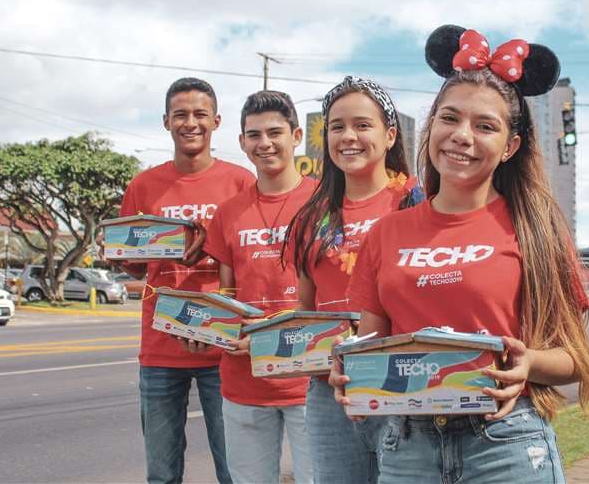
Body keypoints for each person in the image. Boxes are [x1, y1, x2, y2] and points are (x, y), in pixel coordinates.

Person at [330, 25, 589, 483]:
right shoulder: (386, 233)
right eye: (450, 118)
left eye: (485, 126)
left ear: (510, 146)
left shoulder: (535, 229)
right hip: (407, 450)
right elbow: (372, 347)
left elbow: (576, 360)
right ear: (432, 126)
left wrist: (529, 363)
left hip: (506, 444)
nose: (462, 135)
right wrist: (351, 372)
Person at [113, 77, 254, 484]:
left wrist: (211, 248)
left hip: (223, 344)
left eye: (199, 114)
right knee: (161, 473)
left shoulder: (241, 182)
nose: (190, 123)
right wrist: (121, 256)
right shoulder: (143, 185)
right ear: (166, 121)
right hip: (161, 346)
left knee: (234, 471)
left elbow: (251, 258)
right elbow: (136, 267)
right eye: (180, 115)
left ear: (216, 121)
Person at [284, 76, 422, 484]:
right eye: (337, 127)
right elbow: (305, 309)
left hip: (401, 383)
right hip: (330, 392)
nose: (348, 137)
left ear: (390, 134)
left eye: (363, 125)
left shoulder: (416, 203)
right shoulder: (311, 217)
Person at [193, 90, 316, 484]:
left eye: (275, 132)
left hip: (310, 380)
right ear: (242, 142)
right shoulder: (229, 213)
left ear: (296, 136)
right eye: (254, 135)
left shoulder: (324, 202)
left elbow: (331, 293)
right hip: (244, 381)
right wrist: (207, 328)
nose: (265, 143)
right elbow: (227, 293)